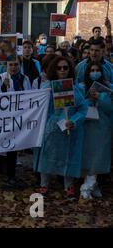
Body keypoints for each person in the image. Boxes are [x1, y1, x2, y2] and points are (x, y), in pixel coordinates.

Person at [35, 56, 88, 200]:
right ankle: (44, 185)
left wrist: (74, 121)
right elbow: (40, 108)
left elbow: (83, 109)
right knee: (47, 156)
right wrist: (55, 120)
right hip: (52, 129)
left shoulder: (76, 89)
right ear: (54, 70)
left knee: (69, 157)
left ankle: (69, 187)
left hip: (71, 130)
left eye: (65, 67)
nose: (62, 70)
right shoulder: (47, 88)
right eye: (59, 68)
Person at [0, 55, 31, 189]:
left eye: (16, 65)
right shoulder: (0, 78)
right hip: (3, 118)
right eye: (11, 65)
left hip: (19, 117)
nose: (13, 67)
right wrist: (3, 88)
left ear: (20, 65)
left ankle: (11, 175)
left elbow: (29, 96)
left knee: (13, 147)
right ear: (6, 66)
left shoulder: (25, 79)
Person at [77, 61, 113, 200]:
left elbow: (110, 108)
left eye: (97, 69)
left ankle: (90, 185)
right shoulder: (80, 87)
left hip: (102, 127)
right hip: (87, 125)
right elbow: (78, 106)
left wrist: (100, 97)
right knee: (87, 157)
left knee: (99, 157)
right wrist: (89, 98)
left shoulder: (109, 87)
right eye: (92, 69)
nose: (94, 72)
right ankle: (89, 185)